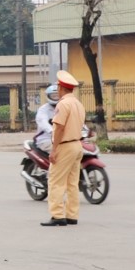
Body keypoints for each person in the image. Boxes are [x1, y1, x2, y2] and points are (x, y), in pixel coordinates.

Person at [44, 70, 87, 227]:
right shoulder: (78, 104)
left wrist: (53, 150)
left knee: (55, 181)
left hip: (65, 145)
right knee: (72, 183)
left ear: (61, 88)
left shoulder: (63, 104)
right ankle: (72, 215)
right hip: (77, 145)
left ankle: (57, 216)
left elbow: (60, 128)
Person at [33, 84, 59, 156]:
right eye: (53, 96)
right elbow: (43, 122)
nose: (56, 97)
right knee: (60, 153)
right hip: (45, 139)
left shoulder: (64, 107)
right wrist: (52, 131)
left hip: (63, 139)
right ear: (48, 96)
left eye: (57, 95)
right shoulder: (43, 110)